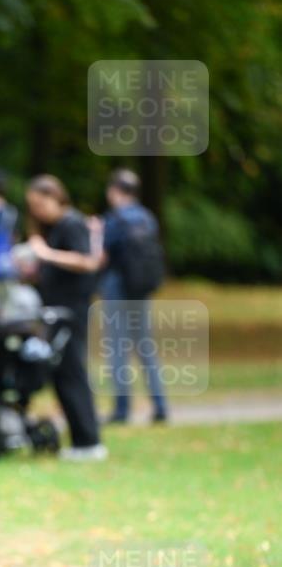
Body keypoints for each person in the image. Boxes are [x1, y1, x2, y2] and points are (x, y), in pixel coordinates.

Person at [18, 174, 107, 461]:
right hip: (55, 312)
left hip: (72, 311)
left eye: (40, 203)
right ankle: (81, 441)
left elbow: (86, 261)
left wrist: (46, 254)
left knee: (72, 373)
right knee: (61, 374)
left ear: (57, 197)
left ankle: (89, 441)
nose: (37, 211)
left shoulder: (72, 223)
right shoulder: (54, 227)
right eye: (32, 206)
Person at [100, 169, 168, 424]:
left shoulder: (114, 219)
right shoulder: (147, 218)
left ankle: (121, 409)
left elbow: (102, 255)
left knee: (117, 348)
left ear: (115, 191)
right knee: (145, 347)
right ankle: (160, 405)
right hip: (141, 289)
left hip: (116, 287)